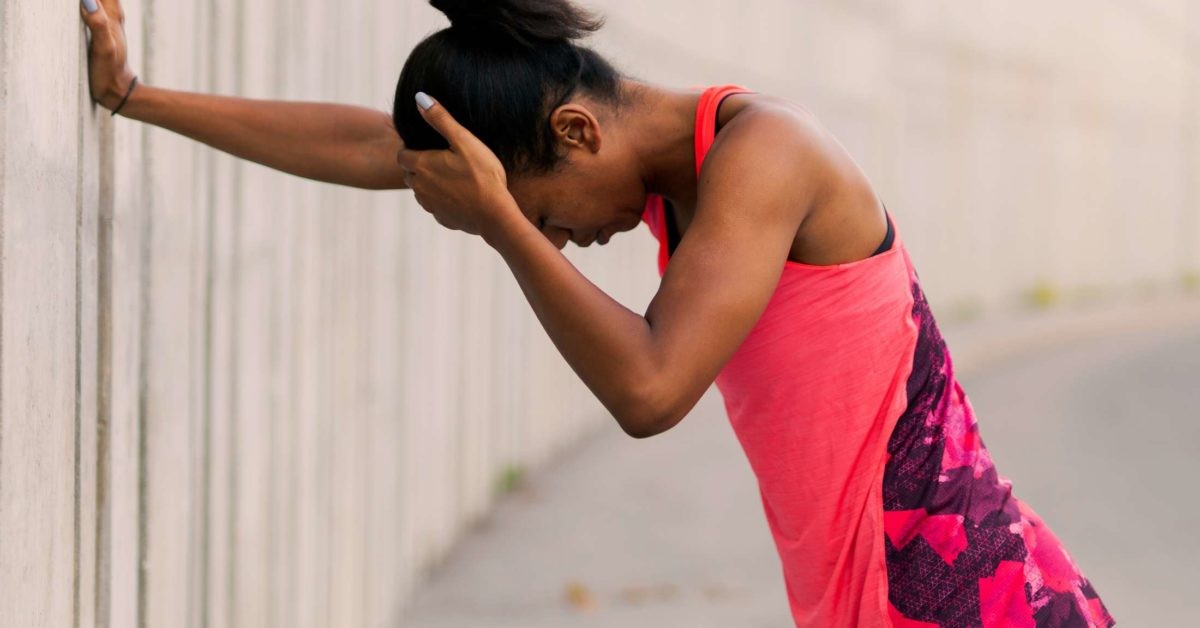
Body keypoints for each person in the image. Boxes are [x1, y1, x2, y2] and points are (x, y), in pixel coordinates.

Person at [80, 0, 1116, 625]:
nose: (560, 238)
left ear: (576, 130)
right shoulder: (682, 179)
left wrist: (501, 225)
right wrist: (137, 97)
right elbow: (367, 148)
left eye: (546, 212)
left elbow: (652, 387)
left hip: (961, 593)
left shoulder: (767, 156)